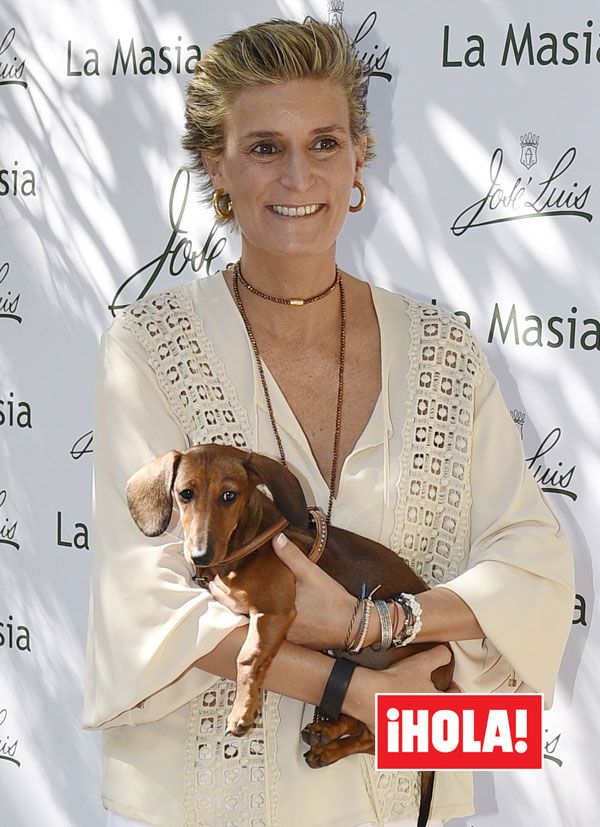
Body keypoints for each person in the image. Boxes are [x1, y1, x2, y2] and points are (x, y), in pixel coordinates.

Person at [82, 18, 575, 827]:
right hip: (206, 798)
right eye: (265, 147)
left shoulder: (444, 349)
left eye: (325, 142)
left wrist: (387, 627)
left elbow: (534, 565)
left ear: (357, 161)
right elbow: (145, 600)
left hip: (398, 781)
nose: (298, 175)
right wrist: (364, 687)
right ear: (217, 165)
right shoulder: (149, 343)